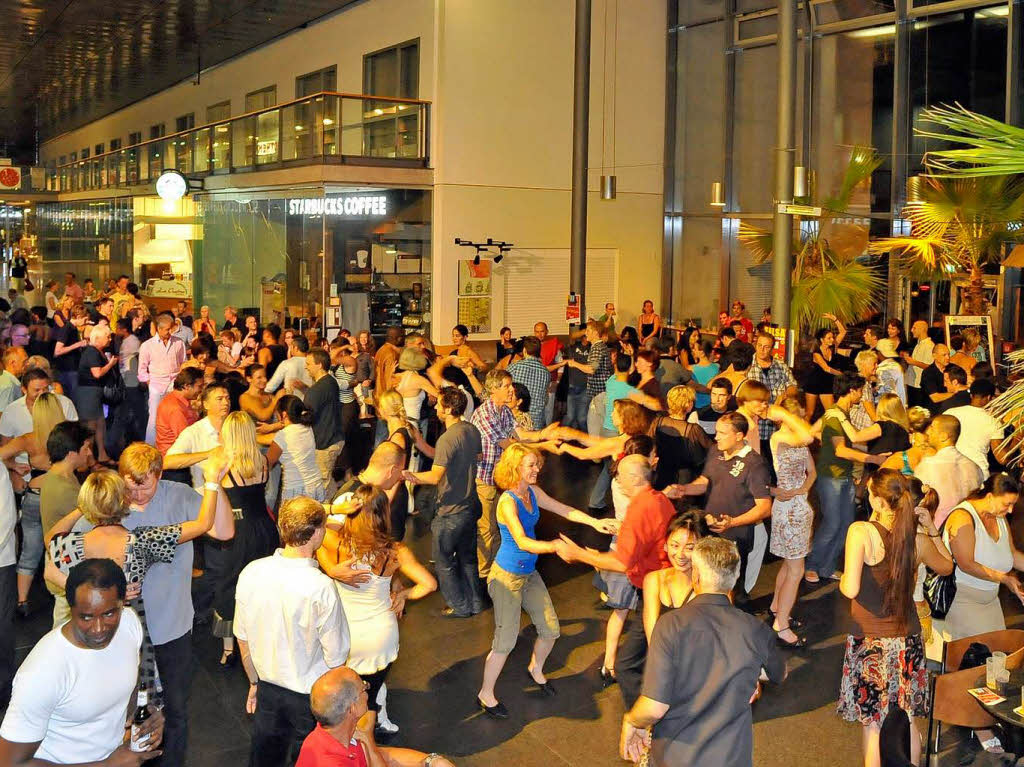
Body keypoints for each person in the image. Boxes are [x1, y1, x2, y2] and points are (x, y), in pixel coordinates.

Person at [45, 458, 232, 694]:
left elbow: (50, 542)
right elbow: (204, 523)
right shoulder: (142, 540)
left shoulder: (72, 543)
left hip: (92, 633)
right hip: (131, 634)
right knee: (141, 699)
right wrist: (212, 482)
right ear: (123, 501)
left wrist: (84, 506)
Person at [476, 443, 615, 718]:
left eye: (536, 464)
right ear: (516, 468)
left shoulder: (532, 492)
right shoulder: (507, 502)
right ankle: (485, 694)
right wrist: (554, 546)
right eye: (531, 465)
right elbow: (523, 541)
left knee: (550, 629)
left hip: (528, 574)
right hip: (506, 578)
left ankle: (535, 669)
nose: (537, 469)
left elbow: (564, 509)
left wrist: (594, 523)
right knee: (504, 642)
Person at [619, 537, 785, 767]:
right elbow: (777, 673)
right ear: (735, 577)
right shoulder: (755, 629)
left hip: (675, 757)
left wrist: (632, 721)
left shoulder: (670, 625)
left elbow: (655, 707)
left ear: (695, 575)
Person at [838, 469, 952, 767]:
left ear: (876, 502)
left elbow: (850, 588)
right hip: (909, 640)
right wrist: (932, 529)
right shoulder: (917, 540)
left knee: (873, 724)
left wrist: (840, 578)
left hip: (871, 641)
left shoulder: (861, 531)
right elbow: (947, 567)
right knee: (909, 718)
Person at [0, 559, 165, 765]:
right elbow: (9, 763)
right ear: (71, 609)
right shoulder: (43, 672)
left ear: (122, 604)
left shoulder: (130, 625)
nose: (98, 629)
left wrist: (145, 715)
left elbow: (122, 687)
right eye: (86, 617)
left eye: (109, 613)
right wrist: (107, 765)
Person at [234, 497, 350, 767]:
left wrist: (253, 683)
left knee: (264, 759)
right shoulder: (320, 586)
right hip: (309, 698)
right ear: (317, 532)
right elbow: (336, 657)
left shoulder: (252, 572)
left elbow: (243, 639)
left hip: (268, 691)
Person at [557, 455, 677, 707]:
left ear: (635, 478)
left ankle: (644, 721)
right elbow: (644, 546)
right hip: (664, 589)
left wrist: (580, 555)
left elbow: (622, 563)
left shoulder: (639, 508)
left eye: (620, 473)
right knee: (653, 656)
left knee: (627, 665)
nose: (616, 477)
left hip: (656, 594)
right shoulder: (659, 500)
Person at [318, 485, 436, 729]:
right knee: (367, 698)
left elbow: (307, 519)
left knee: (345, 697)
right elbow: (429, 584)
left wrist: (330, 568)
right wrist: (403, 594)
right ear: (385, 514)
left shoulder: (332, 541)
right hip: (380, 636)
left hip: (345, 635)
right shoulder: (395, 551)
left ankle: (353, 741)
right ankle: (372, 733)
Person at [404, 387, 487, 617]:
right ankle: (476, 602)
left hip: (451, 510)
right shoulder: (470, 429)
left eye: (439, 404)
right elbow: (469, 457)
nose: (436, 407)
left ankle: (460, 606)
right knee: (468, 558)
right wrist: (419, 441)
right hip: (470, 504)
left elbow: (434, 476)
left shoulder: (447, 438)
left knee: (444, 562)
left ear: (449, 409)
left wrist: (408, 476)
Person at [469, 369, 559, 578]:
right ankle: (483, 575)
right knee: (486, 529)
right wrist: (545, 445)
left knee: (502, 526)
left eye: (511, 385)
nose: (511, 390)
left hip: (502, 478)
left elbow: (522, 435)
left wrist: (543, 435)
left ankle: (497, 567)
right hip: (485, 479)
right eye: (506, 386)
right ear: (493, 389)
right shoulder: (485, 415)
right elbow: (510, 445)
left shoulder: (505, 411)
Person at [207, 412, 278, 669]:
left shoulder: (224, 465)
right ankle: (259, 642)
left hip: (238, 532)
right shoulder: (261, 461)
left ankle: (229, 649)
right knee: (263, 586)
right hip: (266, 530)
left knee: (229, 585)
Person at [804, 374, 888, 584]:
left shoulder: (839, 414)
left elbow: (813, 432)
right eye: (860, 390)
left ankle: (827, 566)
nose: (862, 395)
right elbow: (840, 450)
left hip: (842, 476)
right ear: (851, 391)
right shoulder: (835, 416)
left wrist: (826, 441)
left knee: (846, 523)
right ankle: (813, 565)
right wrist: (872, 458)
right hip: (831, 476)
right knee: (833, 523)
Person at [931, 474, 1023, 666]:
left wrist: (1004, 579)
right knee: (975, 664)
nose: (1011, 510)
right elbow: (966, 563)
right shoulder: (962, 517)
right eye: (1007, 504)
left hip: (990, 602)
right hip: (964, 602)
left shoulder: (999, 517)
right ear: (989, 497)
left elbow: (1012, 554)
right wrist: (1005, 579)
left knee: (998, 660)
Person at [297, 667, 456, 767]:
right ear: (352, 708)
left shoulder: (340, 733)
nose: (368, 690)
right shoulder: (331, 761)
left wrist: (430, 761)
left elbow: (381, 755)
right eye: (364, 688)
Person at [766, 396, 817, 648]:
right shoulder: (779, 439)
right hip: (788, 510)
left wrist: (801, 491)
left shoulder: (795, 439)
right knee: (796, 569)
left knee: (789, 565)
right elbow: (808, 437)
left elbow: (812, 472)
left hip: (798, 506)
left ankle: (777, 607)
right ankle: (782, 624)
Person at [37, 421, 94, 627]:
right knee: (66, 626)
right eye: (86, 447)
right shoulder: (66, 490)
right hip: (65, 566)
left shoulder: (58, 477)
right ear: (72, 453)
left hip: (58, 560)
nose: (89, 453)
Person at [640, 510, 705, 648]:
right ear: (665, 546)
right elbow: (653, 639)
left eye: (690, 548)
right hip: (662, 658)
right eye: (675, 546)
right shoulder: (654, 580)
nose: (680, 554)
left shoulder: (714, 586)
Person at [913, 413, 983, 527]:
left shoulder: (928, 465)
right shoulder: (974, 467)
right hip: (968, 526)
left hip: (938, 529)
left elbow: (918, 500)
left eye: (932, 428)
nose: (927, 432)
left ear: (944, 436)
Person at [165, 383, 231, 491]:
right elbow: (168, 461)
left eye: (228, 398)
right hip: (205, 496)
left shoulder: (235, 427)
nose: (226, 402)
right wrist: (208, 454)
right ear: (206, 405)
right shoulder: (194, 432)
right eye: (220, 399)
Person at [746, 331, 798, 456]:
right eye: (759, 345)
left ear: (772, 348)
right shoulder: (747, 365)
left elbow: (793, 386)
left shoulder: (781, 366)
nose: (762, 350)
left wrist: (783, 396)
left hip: (777, 428)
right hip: (755, 428)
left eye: (766, 347)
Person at [302, 348, 346, 495]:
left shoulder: (317, 390)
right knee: (327, 480)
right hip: (334, 438)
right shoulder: (331, 382)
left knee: (322, 484)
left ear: (319, 365)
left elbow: (306, 417)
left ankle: (327, 514)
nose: (305, 367)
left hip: (324, 443)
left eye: (308, 363)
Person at [138, 313, 186, 444]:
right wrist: (150, 384)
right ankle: (150, 448)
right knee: (154, 419)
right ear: (159, 329)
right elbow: (141, 370)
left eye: (171, 329)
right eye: (167, 329)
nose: (170, 332)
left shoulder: (179, 343)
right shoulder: (147, 346)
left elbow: (183, 364)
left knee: (176, 416)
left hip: (175, 385)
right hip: (156, 385)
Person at [269, 395, 328, 502]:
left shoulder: (282, 436)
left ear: (284, 414)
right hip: (316, 485)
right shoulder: (307, 427)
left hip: (296, 491)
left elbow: (268, 462)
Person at [74, 323, 118, 466]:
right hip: (88, 393)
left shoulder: (96, 351)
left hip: (94, 393)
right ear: (98, 338)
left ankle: (102, 454)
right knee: (91, 427)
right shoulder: (92, 352)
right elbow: (97, 373)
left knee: (100, 424)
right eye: (107, 336)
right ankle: (89, 460)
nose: (110, 339)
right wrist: (110, 364)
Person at [947, 378, 1007, 480]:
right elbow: (1002, 458)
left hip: (951, 472)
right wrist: (1018, 436)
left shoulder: (950, 413)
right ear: (989, 397)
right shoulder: (993, 421)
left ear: (971, 395)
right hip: (978, 474)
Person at [803, 315, 849, 419]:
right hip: (814, 383)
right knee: (810, 413)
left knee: (831, 412)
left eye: (832, 337)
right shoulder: (816, 353)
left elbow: (843, 332)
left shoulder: (834, 347)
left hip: (827, 384)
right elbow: (826, 368)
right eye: (829, 338)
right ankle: (801, 433)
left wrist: (835, 319)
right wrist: (841, 374)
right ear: (822, 340)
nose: (832, 340)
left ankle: (828, 433)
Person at [154, 367, 203, 456]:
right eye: (199, 386)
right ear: (187, 386)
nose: (201, 390)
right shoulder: (175, 408)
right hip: (173, 457)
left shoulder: (179, 400)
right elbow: (186, 439)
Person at [509, 336, 555, 429]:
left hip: (517, 422)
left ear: (524, 350)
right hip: (537, 423)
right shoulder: (546, 372)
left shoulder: (514, 367)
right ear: (539, 352)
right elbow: (545, 399)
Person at [901, 320, 935, 407]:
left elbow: (929, 366)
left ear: (922, 329)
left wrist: (913, 362)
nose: (912, 330)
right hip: (912, 382)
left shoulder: (929, 345)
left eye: (914, 328)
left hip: (919, 385)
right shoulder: (918, 344)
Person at [0, 347, 26, 411]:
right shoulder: (9, 385)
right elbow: (2, 413)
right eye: (24, 361)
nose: (27, 364)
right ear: (13, 363)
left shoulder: (5, 379)